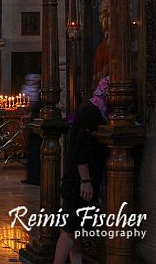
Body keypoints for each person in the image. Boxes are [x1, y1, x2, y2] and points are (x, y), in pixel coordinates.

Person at [53, 77, 109, 264]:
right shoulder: (91, 112)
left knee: (74, 228)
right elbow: (79, 148)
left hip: (80, 180)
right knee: (71, 229)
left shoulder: (96, 110)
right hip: (78, 182)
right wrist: (85, 180)